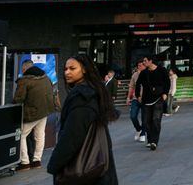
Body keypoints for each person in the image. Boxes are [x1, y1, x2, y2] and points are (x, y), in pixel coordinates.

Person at [47, 55, 118, 184]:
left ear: (84, 69)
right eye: (65, 69)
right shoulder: (93, 91)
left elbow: (72, 135)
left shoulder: (82, 97)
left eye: (72, 68)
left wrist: (54, 164)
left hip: (86, 170)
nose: (67, 72)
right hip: (99, 165)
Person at [13, 59, 55, 170]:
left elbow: (18, 99)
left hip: (32, 113)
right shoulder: (46, 78)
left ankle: (25, 162)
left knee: (21, 135)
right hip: (45, 111)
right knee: (40, 135)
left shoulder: (25, 80)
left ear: (24, 68)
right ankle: (37, 161)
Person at [136, 55, 170, 150]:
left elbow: (167, 82)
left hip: (158, 98)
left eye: (145, 60)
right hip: (146, 100)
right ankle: (150, 139)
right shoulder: (144, 73)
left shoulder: (162, 70)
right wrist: (138, 95)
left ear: (150, 61)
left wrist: (165, 93)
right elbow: (138, 84)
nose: (143, 62)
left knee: (156, 120)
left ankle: (154, 141)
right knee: (146, 122)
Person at [126, 60, 146, 143]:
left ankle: (143, 134)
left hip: (146, 99)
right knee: (132, 116)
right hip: (135, 98)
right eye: (138, 65)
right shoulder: (135, 75)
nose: (140, 67)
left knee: (144, 117)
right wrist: (128, 97)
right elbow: (131, 87)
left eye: (141, 65)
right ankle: (139, 129)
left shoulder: (148, 74)